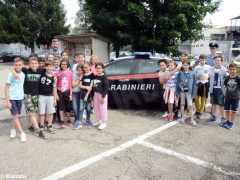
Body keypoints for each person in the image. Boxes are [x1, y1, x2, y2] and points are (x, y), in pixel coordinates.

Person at [13, 54, 46, 138]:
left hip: (36, 95)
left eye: (35, 63)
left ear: (38, 64)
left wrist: (53, 75)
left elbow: (49, 70)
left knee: (33, 112)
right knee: (31, 112)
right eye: (32, 63)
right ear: (29, 64)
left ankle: (29, 126)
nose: (34, 65)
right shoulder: (25, 70)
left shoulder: (41, 71)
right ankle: (38, 130)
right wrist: (15, 74)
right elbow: (14, 68)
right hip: (27, 95)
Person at [5, 57, 26, 142]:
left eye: (19, 65)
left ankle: (13, 130)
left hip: (20, 97)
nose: (18, 66)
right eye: (16, 65)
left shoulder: (23, 74)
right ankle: (22, 133)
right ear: (14, 65)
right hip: (12, 98)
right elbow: (6, 87)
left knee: (16, 115)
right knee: (15, 115)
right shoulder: (10, 75)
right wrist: (7, 101)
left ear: (22, 65)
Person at [176, 60, 197, 127]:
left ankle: (192, 120)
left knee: (190, 105)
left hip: (189, 92)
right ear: (182, 65)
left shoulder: (193, 73)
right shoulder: (180, 73)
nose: (185, 66)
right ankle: (182, 118)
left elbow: (194, 84)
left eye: (187, 65)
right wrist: (177, 92)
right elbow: (177, 83)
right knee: (182, 104)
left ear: (189, 65)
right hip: (182, 91)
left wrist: (193, 93)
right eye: (184, 65)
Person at [207, 55, 228, 123]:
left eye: (218, 60)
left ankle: (223, 118)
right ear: (214, 61)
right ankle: (213, 116)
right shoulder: (211, 69)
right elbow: (209, 77)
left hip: (220, 89)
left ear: (221, 61)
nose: (217, 62)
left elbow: (227, 79)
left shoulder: (224, 70)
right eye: (215, 60)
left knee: (221, 104)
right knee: (213, 103)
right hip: (212, 88)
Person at [38, 61, 57, 133]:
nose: (49, 67)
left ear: (52, 67)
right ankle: (42, 125)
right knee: (41, 112)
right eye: (47, 66)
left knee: (50, 112)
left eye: (50, 66)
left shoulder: (54, 78)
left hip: (50, 96)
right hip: (41, 96)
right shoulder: (42, 73)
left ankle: (49, 125)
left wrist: (55, 99)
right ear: (45, 67)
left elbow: (54, 88)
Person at [220, 63, 240, 129]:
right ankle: (227, 121)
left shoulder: (238, 79)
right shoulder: (227, 78)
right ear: (228, 70)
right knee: (227, 110)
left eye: (234, 69)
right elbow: (225, 86)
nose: (232, 71)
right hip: (228, 96)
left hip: (236, 97)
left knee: (233, 111)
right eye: (230, 69)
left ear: (236, 70)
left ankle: (231, 123)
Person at [56, 59, 73, 128]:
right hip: (60, 91)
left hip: (67, 91)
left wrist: (71, 94)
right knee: (61, 107)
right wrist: (56, 94)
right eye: (62, 64)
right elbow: (56, 84)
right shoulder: (57, 73)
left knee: (68, 107)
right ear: (60, 65)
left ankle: (68, 120)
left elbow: (71, 84)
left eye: (65, 64)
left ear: (67, 65)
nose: (63, 65)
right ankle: (62, 121)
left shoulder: (70, 72)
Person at [193, 54, 211, 119]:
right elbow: (193, 74)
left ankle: (201, 112)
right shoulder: (196, 67)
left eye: (203, 60)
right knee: (196, 98)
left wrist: (207, 77)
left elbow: (210, 74)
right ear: (199, 60)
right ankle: (197, 110)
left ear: (205, 60)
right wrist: (198, 77)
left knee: (203, 98)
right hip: (198, 83)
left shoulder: (208, 67)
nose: (202, 61)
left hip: (205, 83)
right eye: (201, 60)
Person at [93, 62, 109, 130]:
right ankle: (99, 120)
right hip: (96, 94)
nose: (98, 69)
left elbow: (106, 88)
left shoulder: (104, 77)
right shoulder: (96, 76)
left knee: (102, 108)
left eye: (100, 68)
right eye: (97, 68)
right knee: (96, 108)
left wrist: (103, 97)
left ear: (103, 69)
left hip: (102, 95)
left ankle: (104, 122)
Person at [79, 62, 95, 127]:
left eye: (86, 67)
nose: (85, 68)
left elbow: (90, 87)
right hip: (82, 94)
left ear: (90, 67)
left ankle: (88, 120)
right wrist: (85, 87)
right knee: (81, 108)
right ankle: (79, 121)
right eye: (84, 67)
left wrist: (86, 96)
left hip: (89, 95)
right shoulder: (83, 75)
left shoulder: (92, 75)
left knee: (88, 108)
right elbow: (79, 85)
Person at [72, 64, 84, 129]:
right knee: (74, 107)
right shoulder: (74, 75)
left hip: (82, 93)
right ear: (76, 70)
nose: (80, 72)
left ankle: (78, 121)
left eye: (82, 70)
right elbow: (73, 85)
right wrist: (79, 79)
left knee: (81, 107)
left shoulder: (84, 75)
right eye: (78, 70)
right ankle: (76, 119)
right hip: (75, 92)